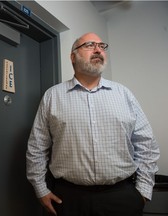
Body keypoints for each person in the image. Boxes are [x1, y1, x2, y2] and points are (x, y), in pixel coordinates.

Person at [26, 32, 160, 216]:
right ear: (73, 57)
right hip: (68, 199)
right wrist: (41, 189)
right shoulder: (53, 96)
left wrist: (143, 191)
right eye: (89, 45)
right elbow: (37, 147)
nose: (98, 49)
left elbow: (146, 144)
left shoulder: (124, 94)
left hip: (122, 198)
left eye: (101, 46)